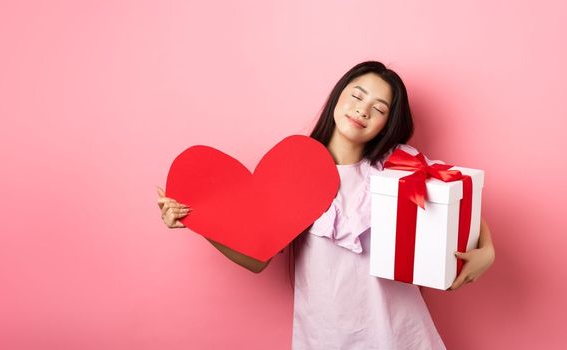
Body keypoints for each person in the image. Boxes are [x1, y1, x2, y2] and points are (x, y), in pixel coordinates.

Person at [155, 61, 495, 349]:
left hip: (400, 334)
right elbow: (257, 260)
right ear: (339, 95)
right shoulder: (294, 170)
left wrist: (487, 250)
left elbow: (455, 192)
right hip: (325, 336)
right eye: (357, 96)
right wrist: (198, 221)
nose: (362, 109)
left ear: (386, 124)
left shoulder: (398, 164)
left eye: (379, 108)